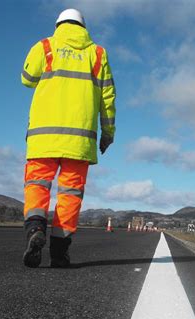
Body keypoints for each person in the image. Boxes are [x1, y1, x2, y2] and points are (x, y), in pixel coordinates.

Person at [20, 8, 116, 268]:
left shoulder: (45, 46)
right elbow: (108, 99)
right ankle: (60, 253)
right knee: (70, 195)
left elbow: (26, 78)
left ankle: (35, 230)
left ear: (58, 25)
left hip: (43, 137)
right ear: (83, 27)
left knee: (37, 186)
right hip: (80, 141)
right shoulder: (98, 54)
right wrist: (108, 134)